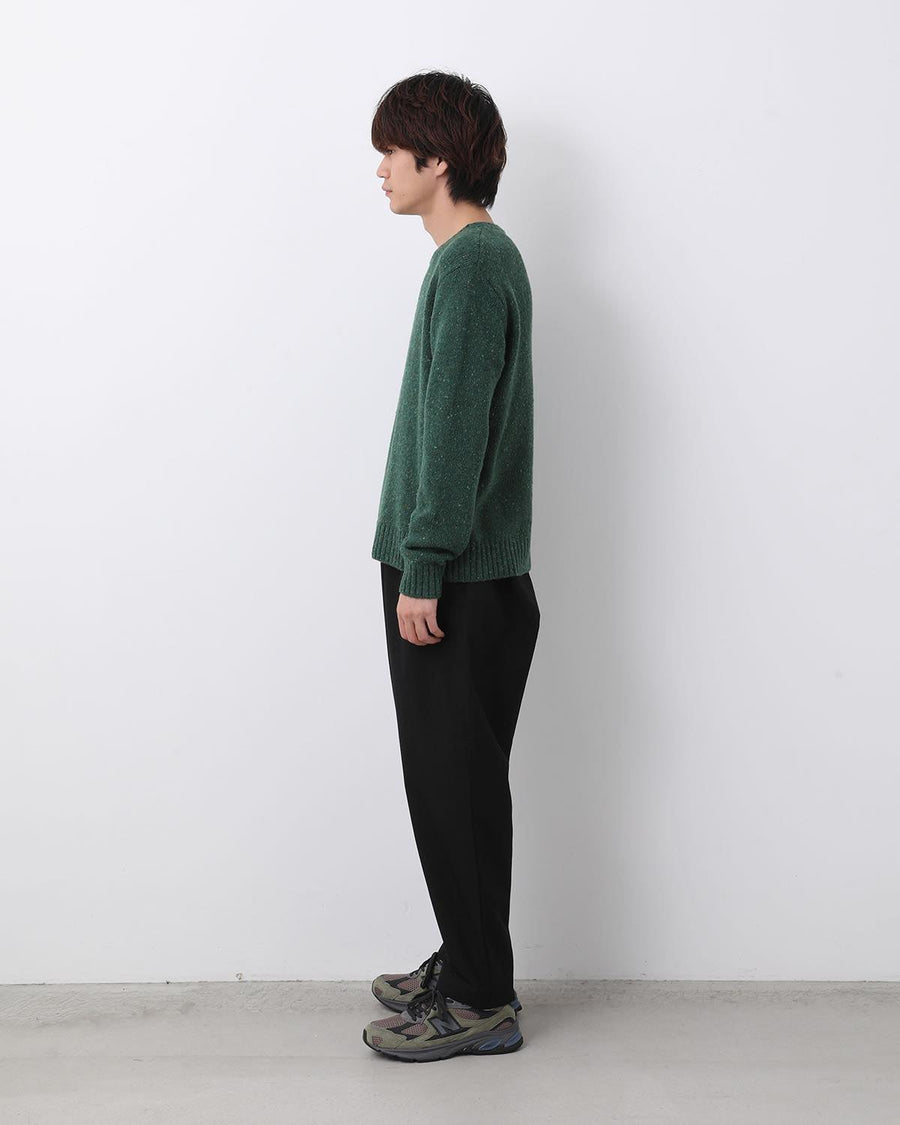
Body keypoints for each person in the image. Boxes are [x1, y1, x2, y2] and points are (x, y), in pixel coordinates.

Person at [362, 70, 540, 1063]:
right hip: (471, 580)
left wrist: (424, 562)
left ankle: (479, 998)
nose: (381, 169)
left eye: (392, 150)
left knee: (453, 793)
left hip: (455, 582)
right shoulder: (475, 259)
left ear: (437, 158)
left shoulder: (471, 266)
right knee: (458, 789)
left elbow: (456, 428)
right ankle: (470, 961)